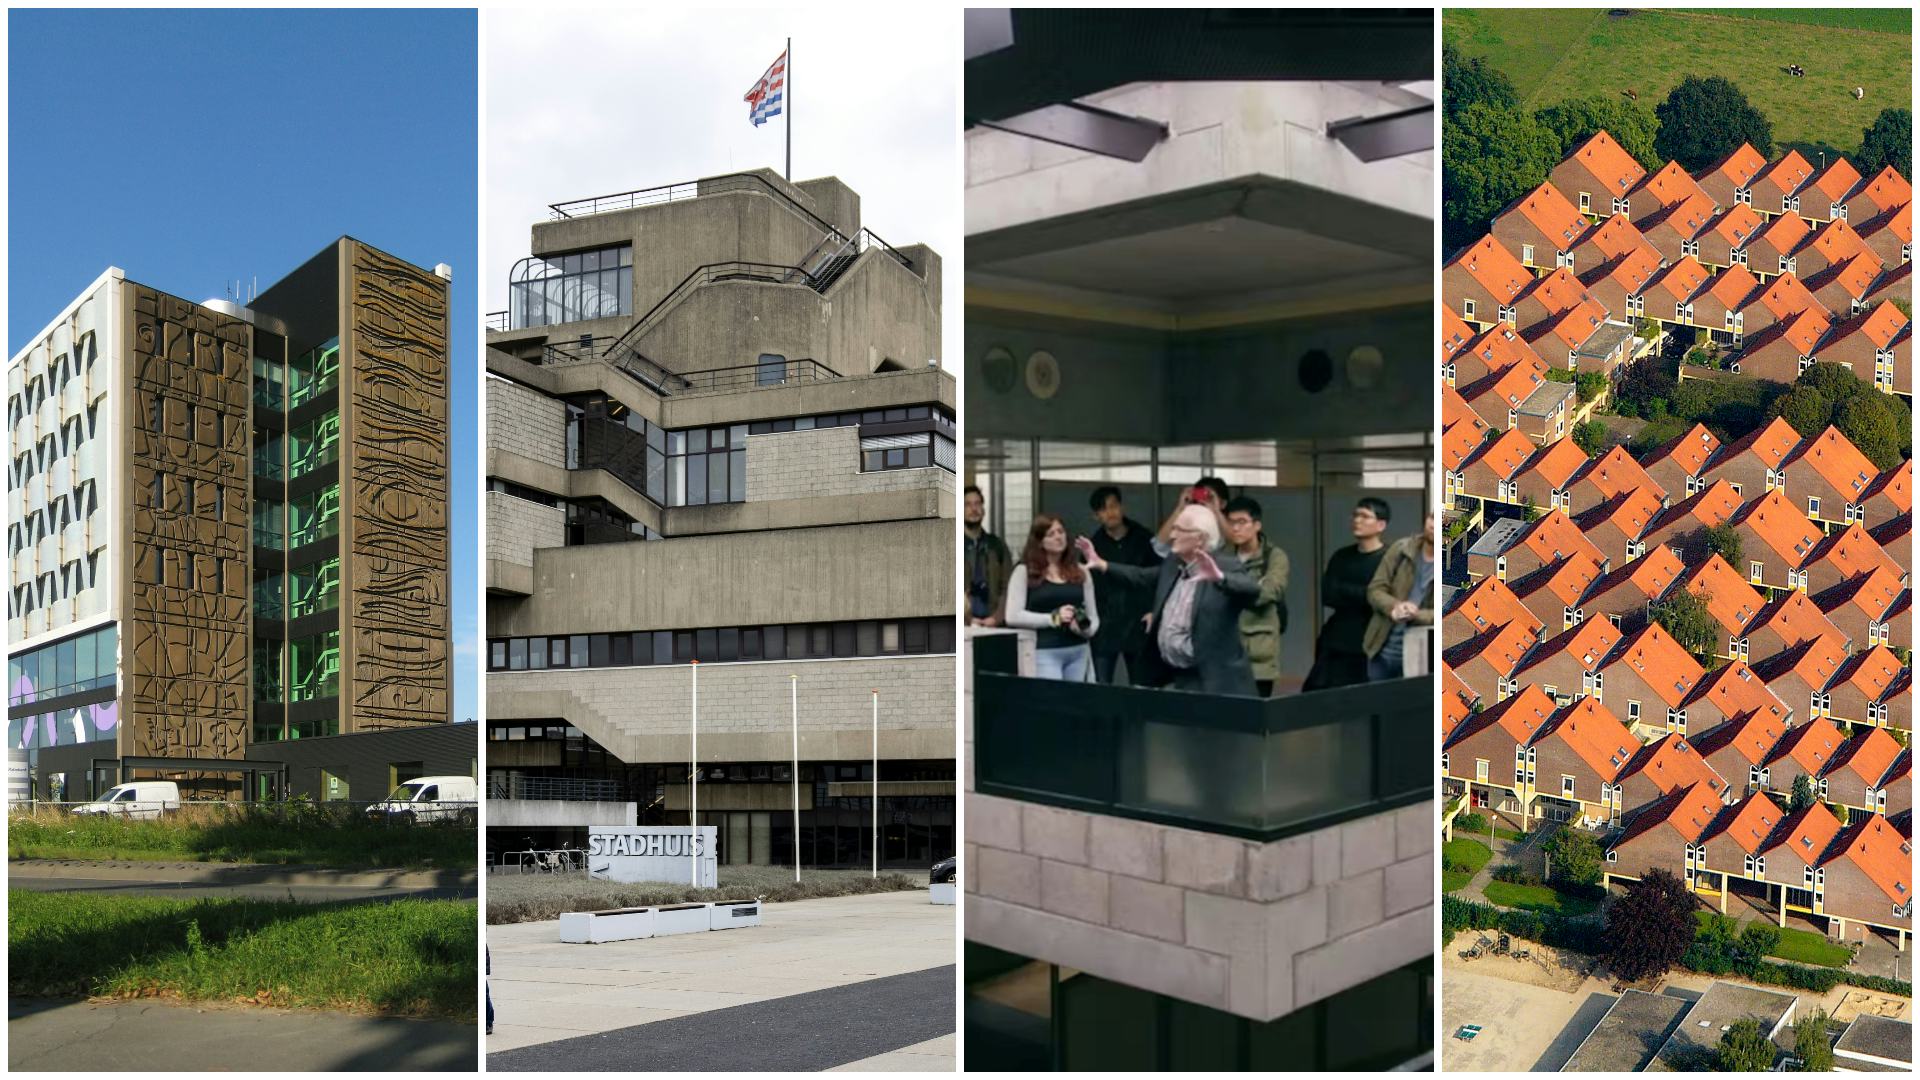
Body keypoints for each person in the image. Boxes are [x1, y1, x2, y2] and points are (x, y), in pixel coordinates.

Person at [1077, 503, 1261, 696]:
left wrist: (1220, 578)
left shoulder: (1223, 565)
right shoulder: (1173, 564)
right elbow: (1140, 576)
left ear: (1200, 538)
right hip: (1174, 675)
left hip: (1211, 679)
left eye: (1179, 530)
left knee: (1207, 726)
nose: (1172, 535)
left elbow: (1252, 590)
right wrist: (1102, 564)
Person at [1302, 497, 1392, 692]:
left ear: (1380, 525)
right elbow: (1328, 594)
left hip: (1370, 642)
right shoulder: (1341, 556)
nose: (1357, 520)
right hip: (1337, 640)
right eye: (1355, 515)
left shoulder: (1389, 559)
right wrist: (1365, 593)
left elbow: (1383, 600)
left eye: (1365, 516)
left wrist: (1352, 592)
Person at [1005, 515, 1099, 681]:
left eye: (1061, 532)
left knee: (1076, 704)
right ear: (1040, 542)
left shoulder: (1081, 571)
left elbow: (1094, 617)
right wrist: (1053, 618)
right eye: (1051, 534)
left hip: (1078, 650)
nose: (1058, 537)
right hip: (1044, 650)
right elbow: (1012, 615)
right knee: (1053, 702)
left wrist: (1085, 629)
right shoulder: (1024, 571)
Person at [1086, 485, 1161, 685]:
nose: (1110, 513)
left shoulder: (1143, 538)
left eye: (1113, 505)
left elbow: (1159, 577)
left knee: (1141, 685)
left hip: (1138, 622)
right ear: (1096, 516)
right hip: (1105, 624)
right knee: (1102, 684)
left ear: (1122, 507)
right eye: (1103, 509)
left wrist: (1155, 610)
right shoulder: (1094, 546)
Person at [1221, 496, 1289, 697]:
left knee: (1257, 713)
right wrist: (1252, 587)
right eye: (1230, 523)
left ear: (1257, 525)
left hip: (1259, 648)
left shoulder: (1274, 556)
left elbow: (1270, 591)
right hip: (1225, 647)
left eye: (1241, 522)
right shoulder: (1224, 555)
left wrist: (1232, 588)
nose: (1235, 528)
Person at [1364, 510, 1436, 682]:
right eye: (1433, 518)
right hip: (1381, 649)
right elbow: (1375, 589)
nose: (1434, 525)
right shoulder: (1402, 549)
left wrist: (1417, 614)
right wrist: (1394, 607)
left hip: (1422, 657)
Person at [963, 485, 1012, 627]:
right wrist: (966, 619)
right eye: (967, 504)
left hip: (994, 622)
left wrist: (997, 617)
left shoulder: (996, 546)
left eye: (978, 504)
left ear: (983, 509)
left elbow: (1007, 586)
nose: (973, 509)